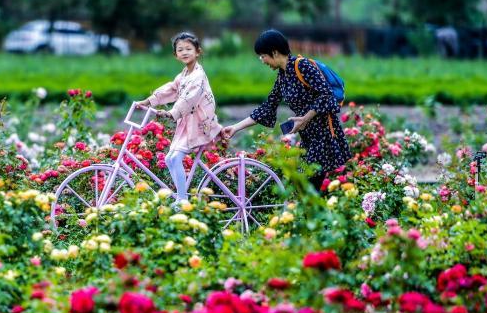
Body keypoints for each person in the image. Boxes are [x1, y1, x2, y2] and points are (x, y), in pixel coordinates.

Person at [221, 29, 352, 192]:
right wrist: (235, 127)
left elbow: (326, 95)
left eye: (263, 56)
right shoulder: (283, 76)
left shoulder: (302, 66)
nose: (262, 60)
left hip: (323, 138)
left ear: (275, 52)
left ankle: (321, 216)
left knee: (307, 189)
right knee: (307, 190)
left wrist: (305, 118)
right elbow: (268, 107)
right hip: (308, 139)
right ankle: (320, 215)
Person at [138, 32, 222, 205]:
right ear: (175, 55)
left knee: (175, 158)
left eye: (188, 49)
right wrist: (149, 101)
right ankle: (181, 196)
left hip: (199, 124)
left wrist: (172, 113)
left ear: (198, 52)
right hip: (187, 123)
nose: (184, 52)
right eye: (180, 50)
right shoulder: (183, 75)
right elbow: (171, 89)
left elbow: (189, 98)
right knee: (169, 158)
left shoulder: (198, 76)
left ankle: (183, 199)